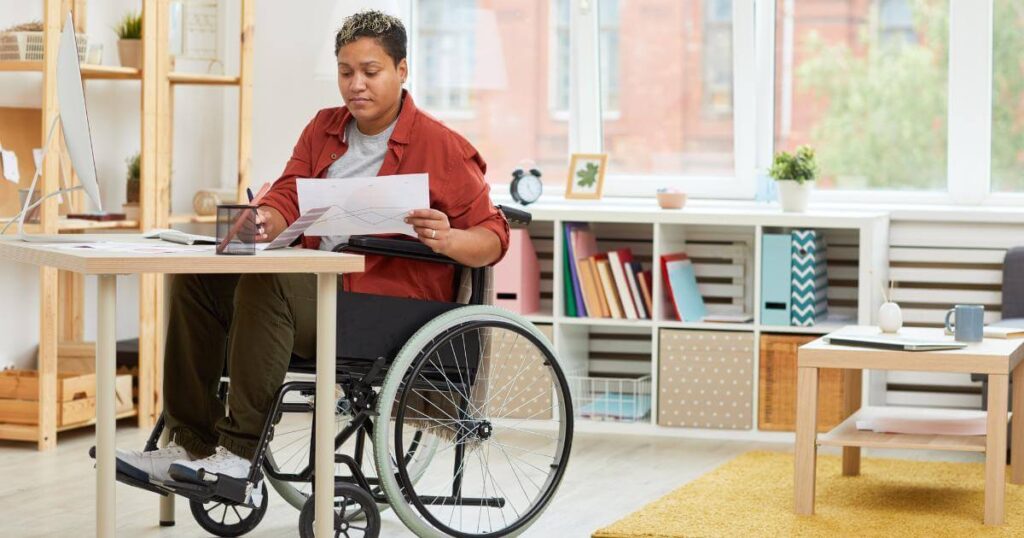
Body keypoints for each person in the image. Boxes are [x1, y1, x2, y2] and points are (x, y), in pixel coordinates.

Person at [115, 10, 509, 500]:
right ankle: (190, 445)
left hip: (384, 308)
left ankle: (239, 456)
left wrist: (449, 238)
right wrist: (262, 221)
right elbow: (286, 194)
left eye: (371, 71)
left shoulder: (442, 146)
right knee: (199, 278)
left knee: (271, 282)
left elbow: (493, 235)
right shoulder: (324, 127)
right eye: (346, 72)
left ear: (402, 70)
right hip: (318, 290)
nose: (356, 85)